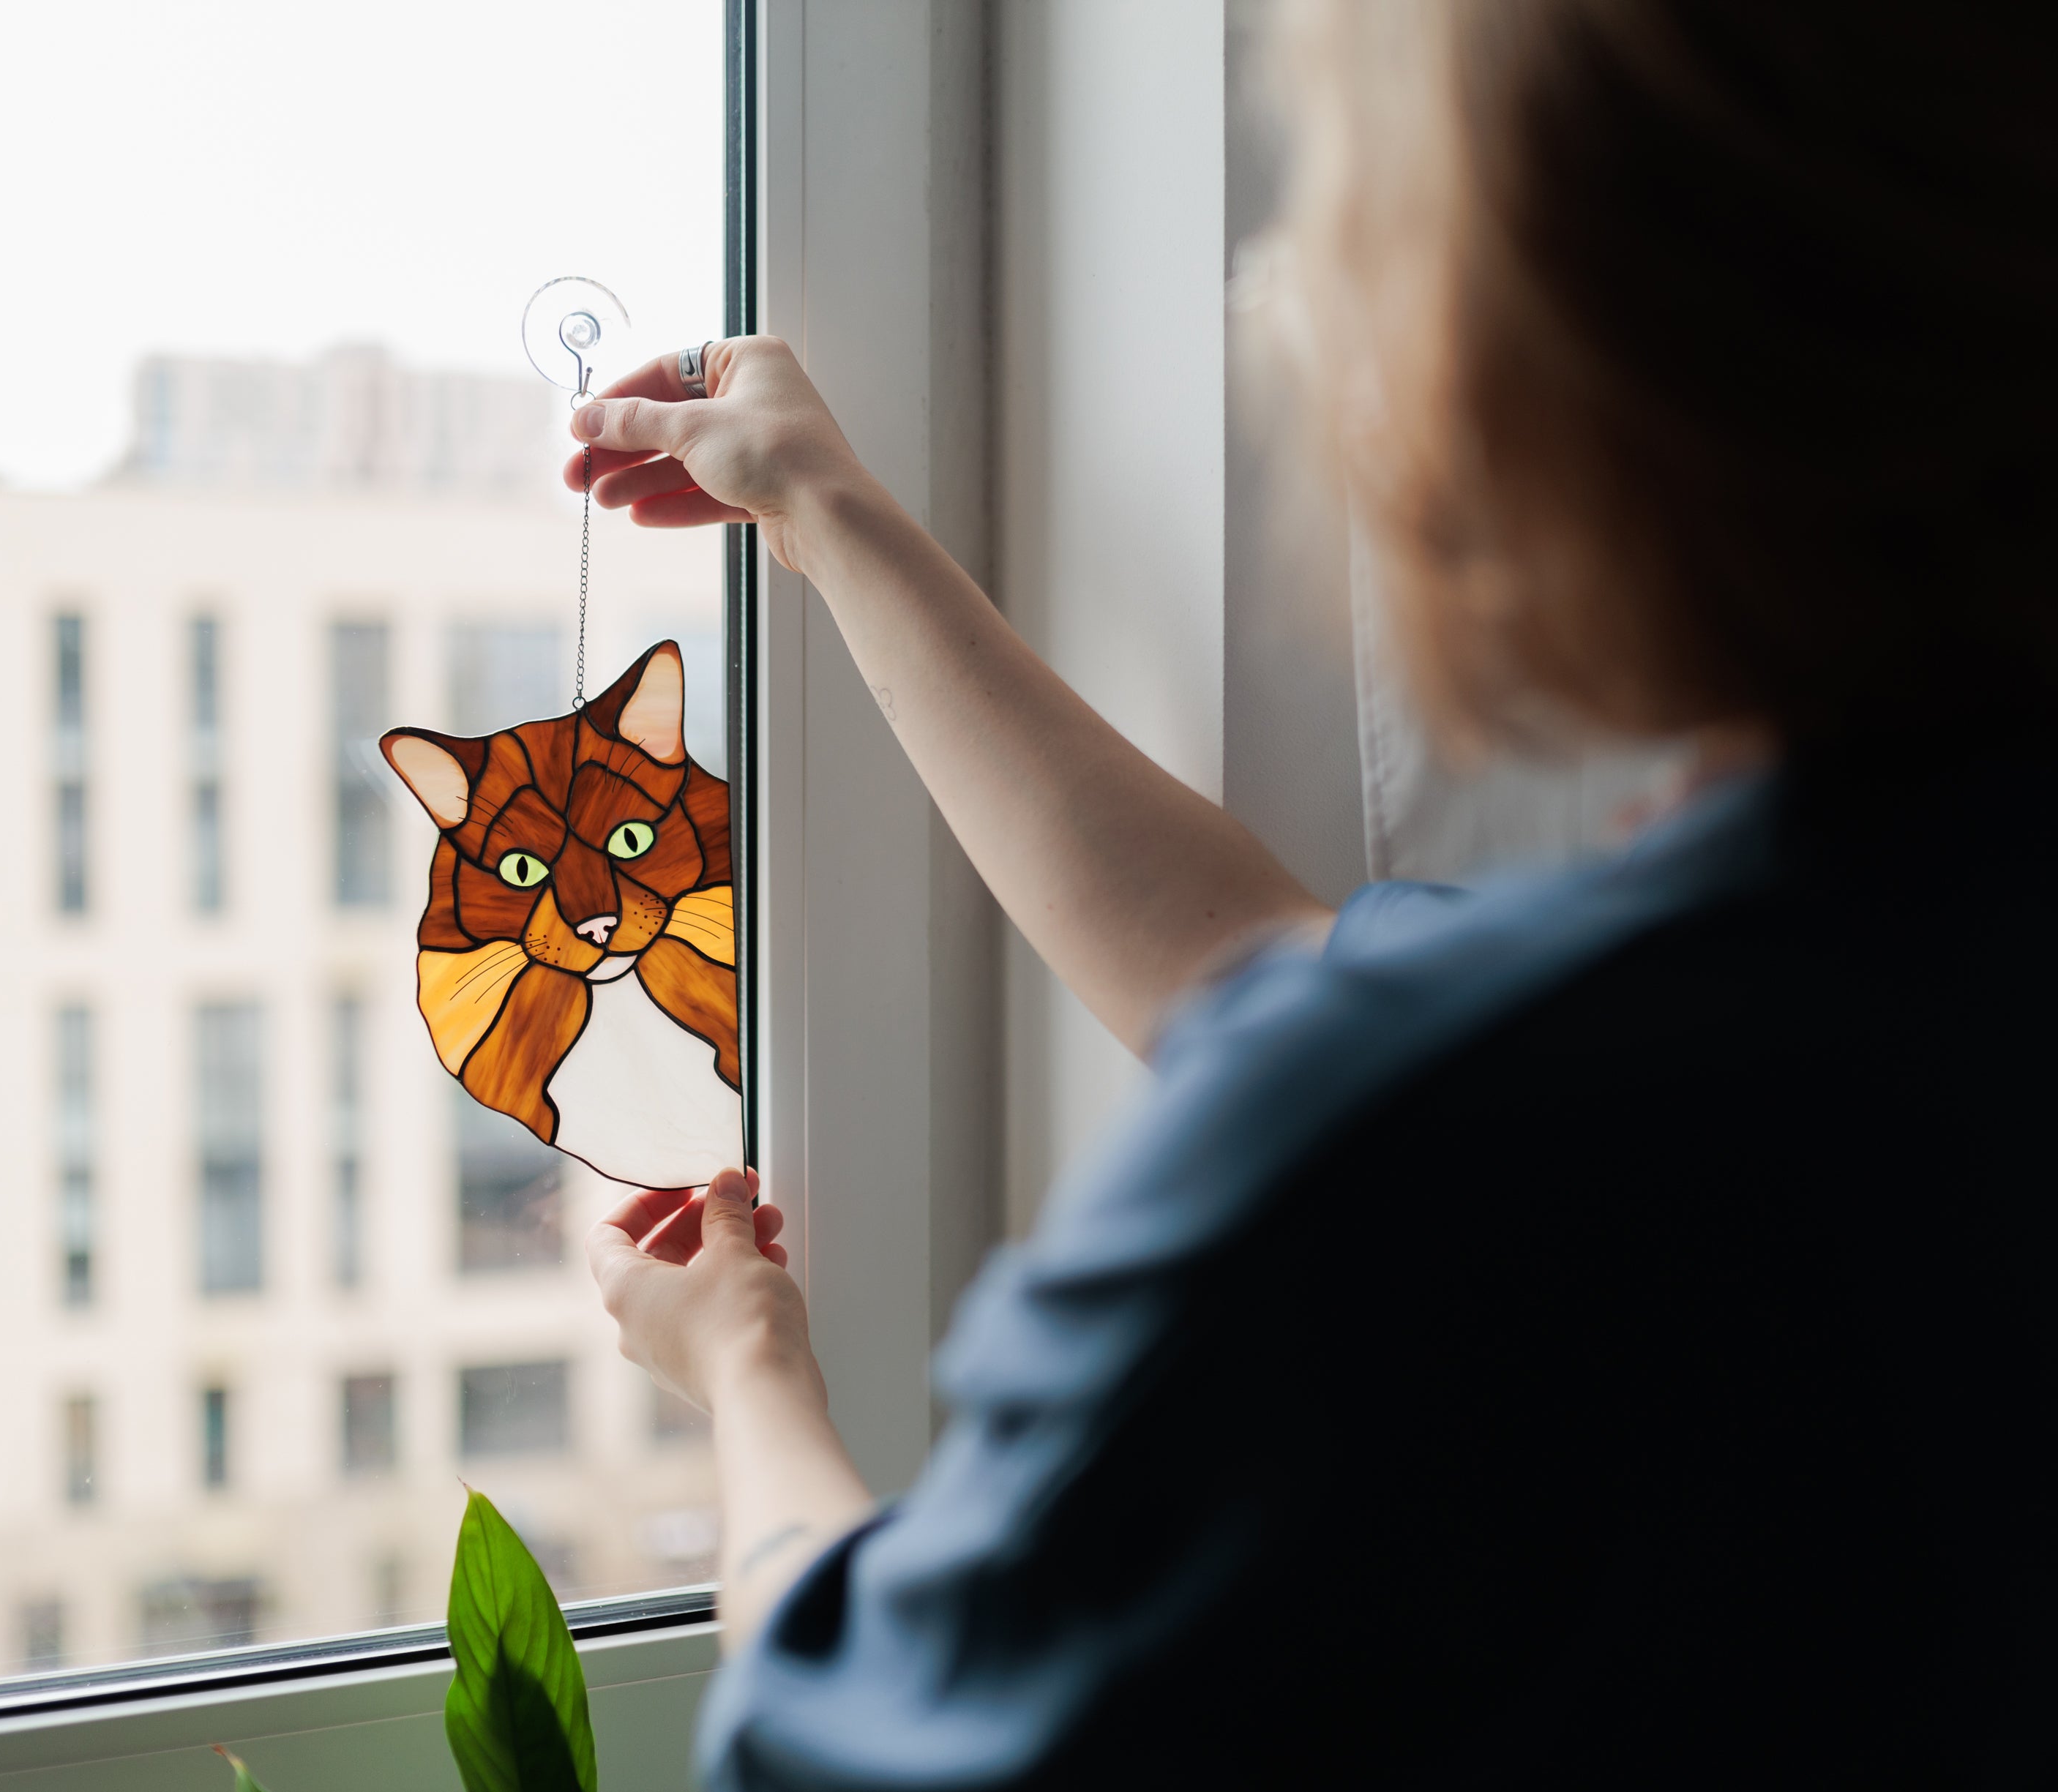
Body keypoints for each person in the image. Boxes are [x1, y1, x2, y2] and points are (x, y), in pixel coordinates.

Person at [572, 2, 2058, 1783]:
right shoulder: (1902, 974)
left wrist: (746, 1369)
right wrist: (829, 516)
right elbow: (1248, 963)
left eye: (1355, 216)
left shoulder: (1456, 1141)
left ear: (1537, 347)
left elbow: (839, 1725)